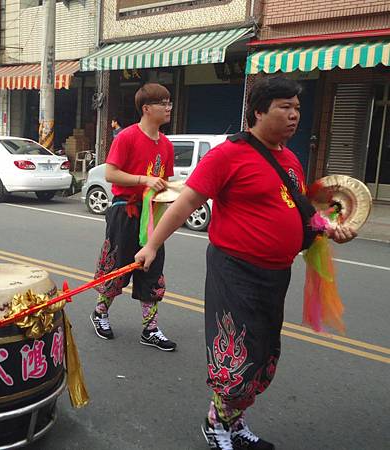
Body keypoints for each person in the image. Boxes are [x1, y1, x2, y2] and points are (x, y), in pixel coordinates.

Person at [135, 76, 356, 450]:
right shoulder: (227, 155)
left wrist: (329, 228)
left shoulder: (290, 162)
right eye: (284, 107)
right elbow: (186, 204)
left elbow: (300, 212)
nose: (294, 116)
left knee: (263, 356)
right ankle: (216, 424)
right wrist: (152, 246)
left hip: (275, 274)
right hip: (234, 272)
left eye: (297, 108)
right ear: (257, 111)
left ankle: (233, 422)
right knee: (236, 355)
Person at [90, 83, 177, 352]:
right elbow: (111, 174)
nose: (168, 107)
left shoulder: (167, 145)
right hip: (125, 211)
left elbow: (165, 181)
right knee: (118, 265)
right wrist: (144, 180)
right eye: (164, 103)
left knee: (152, 267)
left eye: (169, 102)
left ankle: (150, 328)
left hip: (152, 215)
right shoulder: (126, 137)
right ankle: (100, 312)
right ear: (147, 108)